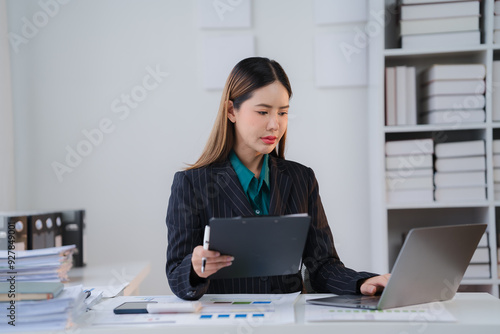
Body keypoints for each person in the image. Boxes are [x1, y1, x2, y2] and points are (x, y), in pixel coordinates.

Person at [165, 57, 390, 300]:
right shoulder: (191, 184)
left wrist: (362, 282)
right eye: (263, 112)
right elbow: (177, 275)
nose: (275, 125)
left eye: (283, 113)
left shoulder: (301, 178)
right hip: (226, 322)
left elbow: (322, 266)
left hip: (288, 321)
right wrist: (196, 268)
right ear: (231, 111)